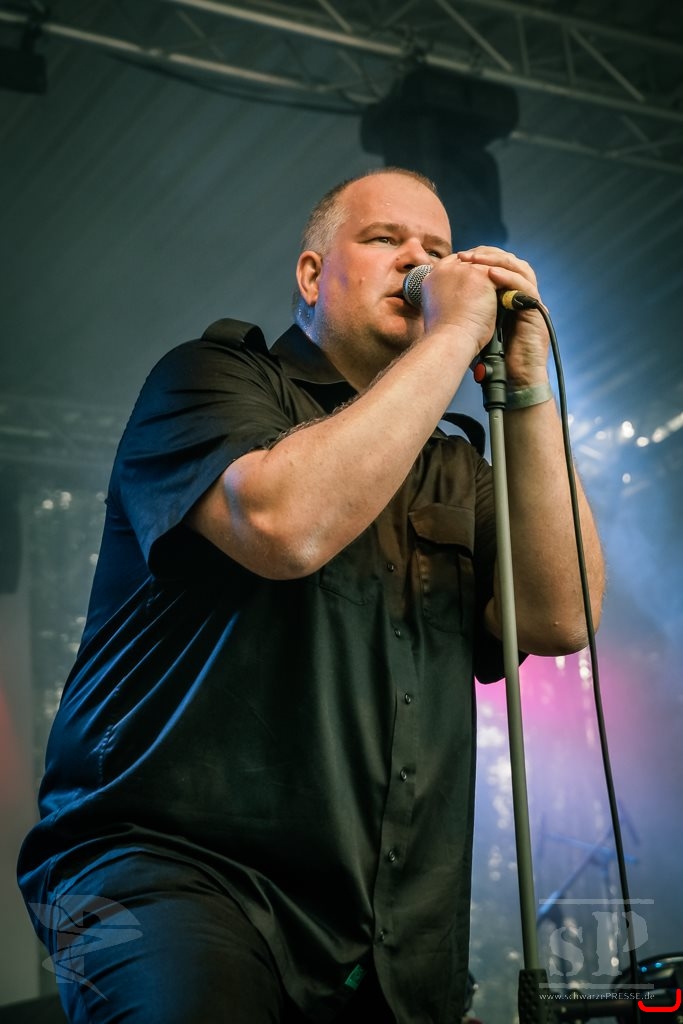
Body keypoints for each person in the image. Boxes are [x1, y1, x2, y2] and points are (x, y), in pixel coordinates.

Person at [18, 167, 604, 1024]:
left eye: (437, 249)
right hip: (146, 873)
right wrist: (451, 334)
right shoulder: (207, 379)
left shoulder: (455, 466)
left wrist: (523, 386)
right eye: (384, 239)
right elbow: (283, 526)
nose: (419, 262)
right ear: (310, 274)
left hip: (382, 924)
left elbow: (562, 614)